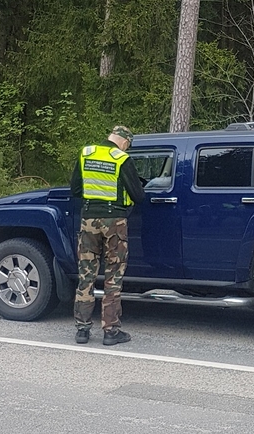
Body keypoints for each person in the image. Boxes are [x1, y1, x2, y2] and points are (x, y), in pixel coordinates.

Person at [70, 125, 145, 345]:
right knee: (113, 277)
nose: (128, 149)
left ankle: (82, 330)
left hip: (88, 220)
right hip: (114, 223)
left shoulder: (87, 154)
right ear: (123, 141)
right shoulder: (121, 159)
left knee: (86, 276)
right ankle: (111, 331)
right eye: (128, 145)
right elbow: (138, 195)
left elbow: (75, 189)